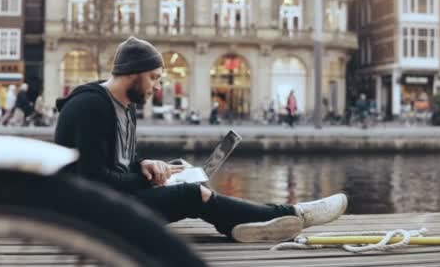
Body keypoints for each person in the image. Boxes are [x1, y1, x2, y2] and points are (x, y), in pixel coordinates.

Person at [54, 36, 347, 243]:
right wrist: (150, 180)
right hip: (90, 216)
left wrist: (145, 164)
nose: (157, 86)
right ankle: (296, 213)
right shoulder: (90, 107)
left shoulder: (124, 107)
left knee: (186, 177)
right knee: (193, 194)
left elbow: (118, 163)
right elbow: (93, 181)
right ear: (133, 74)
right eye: (154, 77)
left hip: (110, 202)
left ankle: (242, 225)